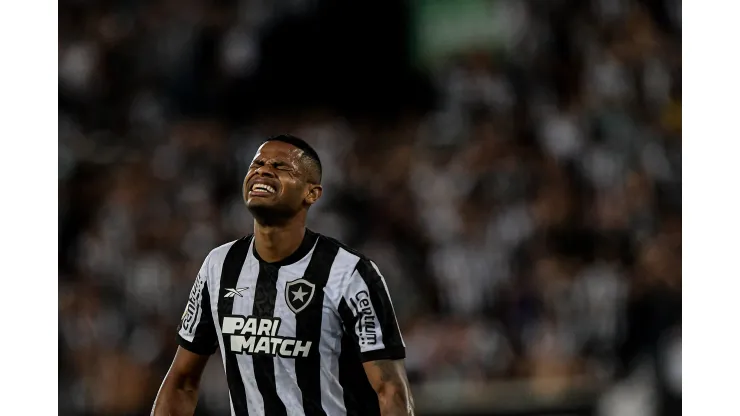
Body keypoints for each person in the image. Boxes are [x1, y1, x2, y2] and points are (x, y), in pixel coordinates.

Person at [152, 135, 414, 416]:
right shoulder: (219, 266)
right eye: (257, 163)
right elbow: (181, 382)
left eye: (280, 166)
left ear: (311, 193)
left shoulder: (349, 273)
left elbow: (391, 390)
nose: (263, 170)